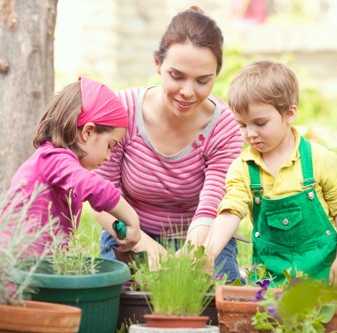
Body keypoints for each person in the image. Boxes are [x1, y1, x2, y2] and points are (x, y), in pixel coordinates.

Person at [93, 6, 245, 281]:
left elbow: (213, 203)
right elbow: (101, 197)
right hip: (130, 232)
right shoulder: (122, 112)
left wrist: (193, 251)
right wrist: (142, 243)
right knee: (119, 307)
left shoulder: (224, 127)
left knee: (220, 307)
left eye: (202, 81)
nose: (187, 91)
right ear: (157, 64)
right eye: (177, 76)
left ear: (216, 75)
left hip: (201, 235)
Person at [204, 60, 337, 288]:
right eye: (242, 125)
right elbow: (231, 211)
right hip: (270, 278)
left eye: (260, 123)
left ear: (289, 113)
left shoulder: (319, 160)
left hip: (321, 274)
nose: (250, 134)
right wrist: (209, 252)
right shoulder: (243, 168)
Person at [4, 77, 141, 253]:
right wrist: (132, 219)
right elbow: (93, 187)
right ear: (88, 132)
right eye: (109, 146)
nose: (108, 157)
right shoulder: (53, 158)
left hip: (36, 266)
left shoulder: (58, 163)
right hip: (14, 265)